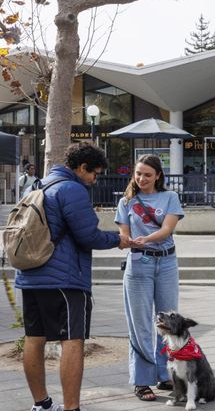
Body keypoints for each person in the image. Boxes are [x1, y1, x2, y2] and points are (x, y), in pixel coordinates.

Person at [16, 142, 131, 411]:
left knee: (34, 338)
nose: (95, 179)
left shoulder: (39, 185)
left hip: (31, 274)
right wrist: (118, 239)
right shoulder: (72, 189)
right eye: (94, 173)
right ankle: (71, 407)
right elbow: (88, 236)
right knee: (72, 340)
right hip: (63, 279)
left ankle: (41, 404)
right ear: (82, 168)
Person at [115, 155, 184, 402]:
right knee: (141, 324)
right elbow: (123, 232)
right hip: (138, 265)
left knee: (167, 322)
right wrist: (125, 241)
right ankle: (142, 381)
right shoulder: (126, 201)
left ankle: (165, 373)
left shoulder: (170, 197)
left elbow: (167, 229)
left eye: (147, 174)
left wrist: (147, 238)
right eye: (138, 174)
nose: (141, 178)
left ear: (158, 176)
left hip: (166, 262)